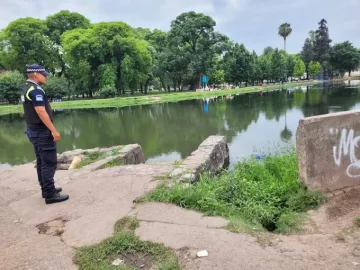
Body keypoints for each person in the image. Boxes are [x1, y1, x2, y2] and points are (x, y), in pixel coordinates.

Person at [22, 64, 69, 204]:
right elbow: (40, 111)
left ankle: (46, 189)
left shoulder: (26, 88)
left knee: (42, 161)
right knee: (49, 162)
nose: (46, 76)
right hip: (41, 132)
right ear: (36, 74)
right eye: (44, 74)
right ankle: (50, 195)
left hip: (33, 130)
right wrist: (53, 130)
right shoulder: (35, 90)